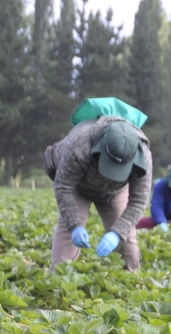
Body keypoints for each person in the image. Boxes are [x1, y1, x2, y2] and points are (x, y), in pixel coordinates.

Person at [47, 114, 151, 271]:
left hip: (115, 191)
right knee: (66, 241)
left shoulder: (143, 157)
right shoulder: (80, 144)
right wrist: (74, 226)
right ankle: (56, 284)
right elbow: (63, 186)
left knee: (127, 243)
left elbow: (138, 200)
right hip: (78, 188)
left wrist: (117, 233)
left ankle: (131, 283)